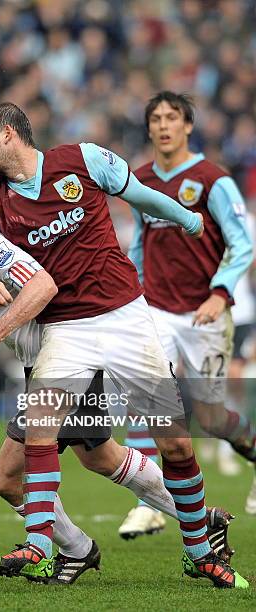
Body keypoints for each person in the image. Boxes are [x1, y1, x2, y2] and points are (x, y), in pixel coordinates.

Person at [0, 103, 248, 588]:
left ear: (8, 135)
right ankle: (39, 545)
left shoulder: (83, 160)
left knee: (174, 442)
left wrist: (189, 221)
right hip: (67, 328)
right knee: (42, 425)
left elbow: (143, 196)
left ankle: (197, 550)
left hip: (127, 317)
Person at [121, 91, 254, 539]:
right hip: (155, 308)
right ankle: (149, 504)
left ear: (188, 126)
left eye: (172, 117)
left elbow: (242, 243)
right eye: (155, 117)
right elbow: (140, 241)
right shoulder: (137, 180)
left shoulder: (212, 180)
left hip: (204, 313)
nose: (163, 125)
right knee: (147, 397)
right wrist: (132, 289)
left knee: (213, 419)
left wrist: (220, 293)